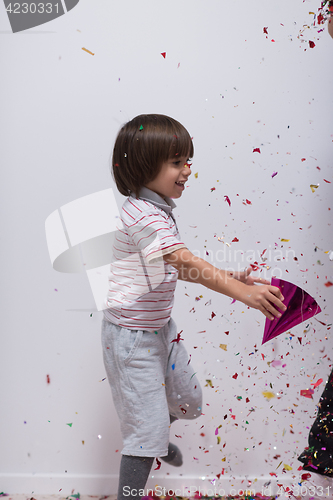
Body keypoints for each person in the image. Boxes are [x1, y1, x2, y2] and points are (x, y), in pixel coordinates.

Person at [101, 114, 286, 500]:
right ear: (141, 165)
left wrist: (233, 277)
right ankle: (140, 463)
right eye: (176, 162)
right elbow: (181, 260)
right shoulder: (143, 216)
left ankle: (154, 433)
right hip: (130, 340)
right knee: (145, 433)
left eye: (188, 161)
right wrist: (242, 293)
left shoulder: (158, 208)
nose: (187, 170)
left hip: (160, 330)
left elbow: (175, 264)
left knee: (188, 402)